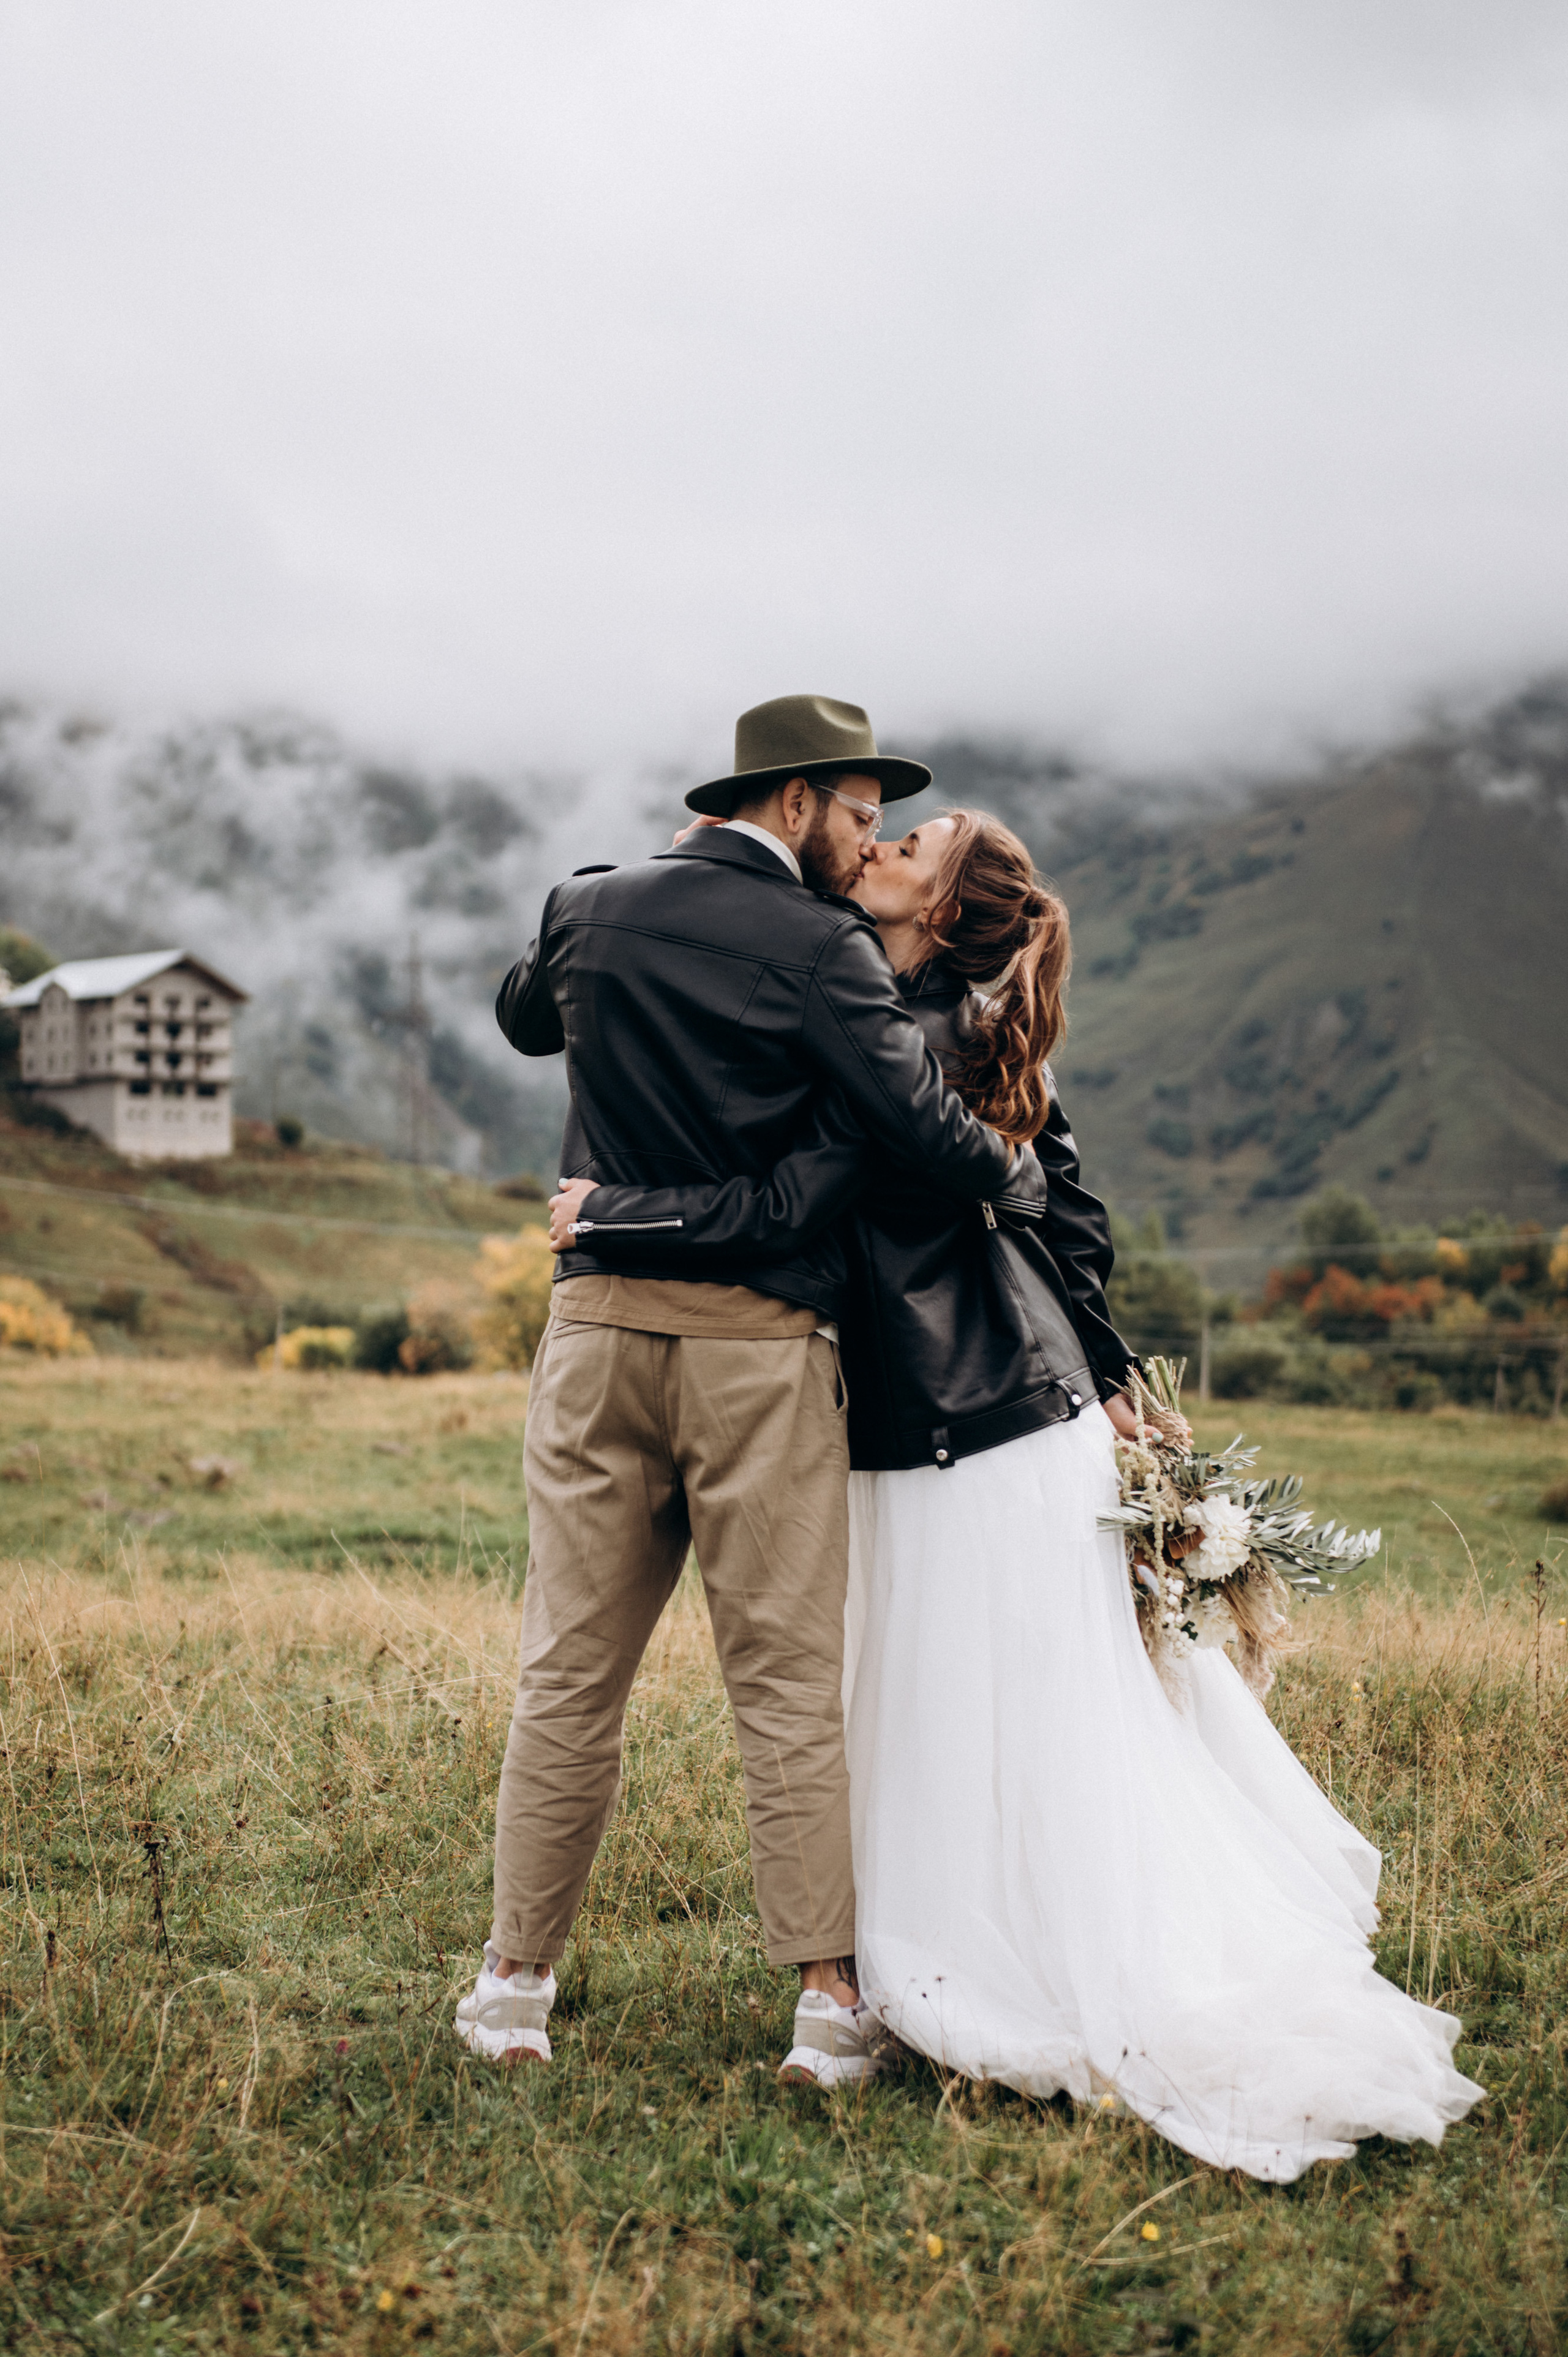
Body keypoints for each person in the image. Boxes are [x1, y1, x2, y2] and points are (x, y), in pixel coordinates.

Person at [551, 803, 1485, 2182]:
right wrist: (1104, 1369)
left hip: (957, 1427)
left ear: (937, 910)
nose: (877, 844)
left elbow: (799, 1206)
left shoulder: (899, 1037)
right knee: (1005, 1711)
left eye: (907, 843)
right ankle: (935, 1955)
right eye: (881, 827)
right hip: (998, 1414)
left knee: (967, 1710)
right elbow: (1068, 1209)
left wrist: (609, 1220)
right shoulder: (935, 1015)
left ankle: (983, 1973)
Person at [456, 696, 1046, 2083]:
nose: (868, 837)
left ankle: (511, 1989)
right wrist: (1017, 1168)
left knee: (566, 1671)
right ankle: (828, 2005)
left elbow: (522, 1015)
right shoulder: (824, 946)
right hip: (759, 1350)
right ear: (791, 805)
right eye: (854, 810)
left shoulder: (588, 904)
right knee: (782, 1684)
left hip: (594, 1334)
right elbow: (914, 1131)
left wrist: (622, 893)